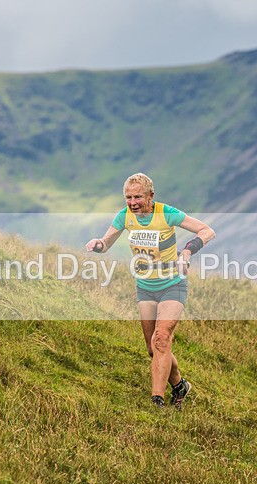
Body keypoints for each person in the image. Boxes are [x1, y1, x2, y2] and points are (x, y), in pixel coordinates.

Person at [85, 173, 215, 408]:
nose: (133, 202)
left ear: (151, 196)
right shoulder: (125, 216)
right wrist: (98, 245)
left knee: (162, 339)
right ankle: (180, 385)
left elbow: (207, 231)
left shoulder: (166, 213)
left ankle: (158, 400)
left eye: (138, 197)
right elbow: (106, 244)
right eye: (128, 197)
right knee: (152, 349)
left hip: (172, 285)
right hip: (145, 287)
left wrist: (186, 252)